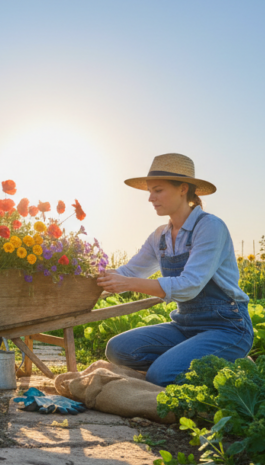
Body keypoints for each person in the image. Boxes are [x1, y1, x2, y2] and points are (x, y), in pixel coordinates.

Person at [94, 153, 252, 386]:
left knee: (161, 376)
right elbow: (129, 272)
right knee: (118, 349)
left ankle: (224, 356)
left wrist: (129, 284)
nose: (151, 198)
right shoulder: (160, 236)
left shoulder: (210, 226)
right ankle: (198, 358)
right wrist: (90, 276)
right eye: (150, 191)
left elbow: (189, 286)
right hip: (184, 325)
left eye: (158, 190)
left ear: (183, 189)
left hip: (226, 327)